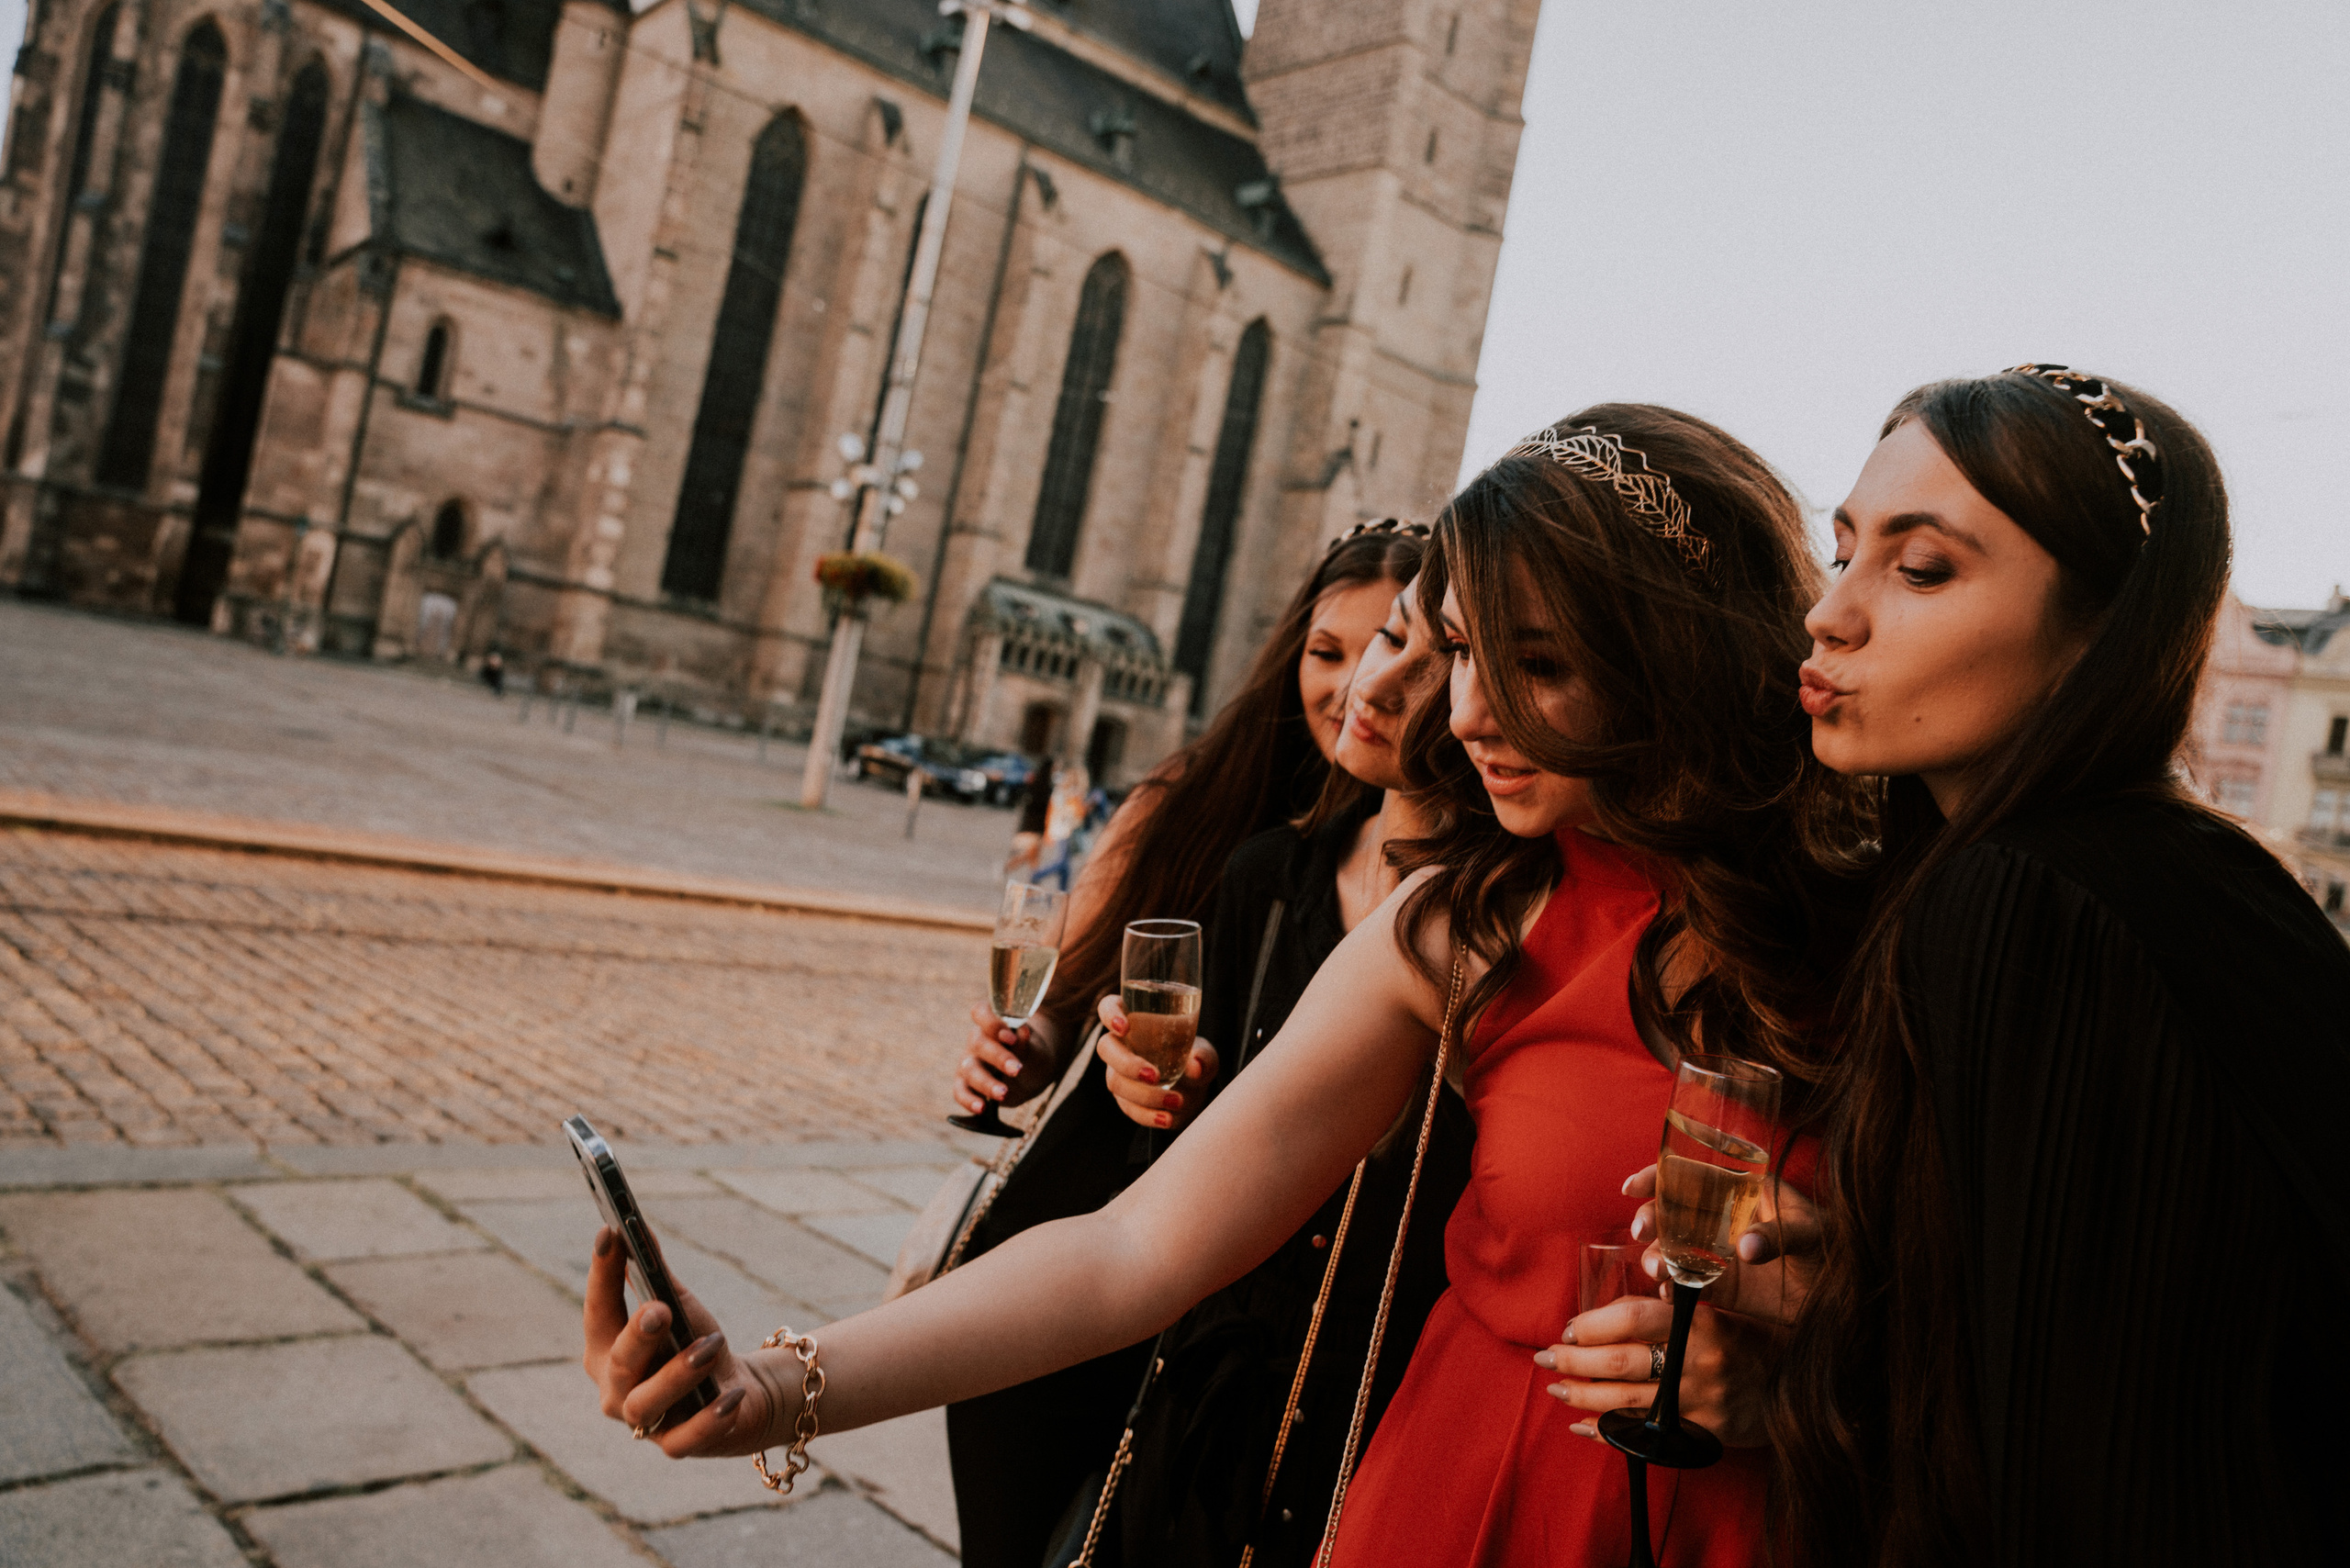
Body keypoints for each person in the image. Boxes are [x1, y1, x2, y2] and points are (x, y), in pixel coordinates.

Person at [584, 407, 1865, 1564]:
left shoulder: (1884, 927)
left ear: (1675, 656)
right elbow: (1133, 1249)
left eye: (1535, 666)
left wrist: (1811, 1376)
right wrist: (776, 1383)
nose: (1470, 713)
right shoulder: (1470, 924)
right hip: (1449, 1497)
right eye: (1463, 653)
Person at [1766, 366, 2350, 1565]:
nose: (1832, 613)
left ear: (2102, 633)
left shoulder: (2033, 901)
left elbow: (2080, 1479)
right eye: (1844, 551)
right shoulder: (2174, 877)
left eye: (1921, 568)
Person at [945, 521, 1427, 1567]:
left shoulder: (1425, 880)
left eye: (1388, 648)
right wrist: (1054, 1041)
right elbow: (1080, 986)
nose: (1355, 685)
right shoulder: (1218, 811)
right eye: (1327, 650)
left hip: (1269, 1304)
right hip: (1122, 1240)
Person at [1092, 563, 1478, 1566]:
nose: (1375, 686)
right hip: (1212, 1380)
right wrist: (1153, 1083)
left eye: (1442, 663)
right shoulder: (1267, 872)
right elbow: (1187, 1131)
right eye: (1386, 640)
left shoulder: (1497, 925)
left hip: (1379, 1396)